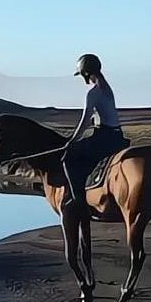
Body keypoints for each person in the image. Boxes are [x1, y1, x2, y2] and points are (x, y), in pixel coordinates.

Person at [62, 54, 127, 216]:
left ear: (85, 73)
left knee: (69, 157)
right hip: (117, 136)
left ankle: (77, 200)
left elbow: (84, 122)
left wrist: (72, 140)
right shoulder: (106, 87)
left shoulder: (93, 93)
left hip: (105, 137)